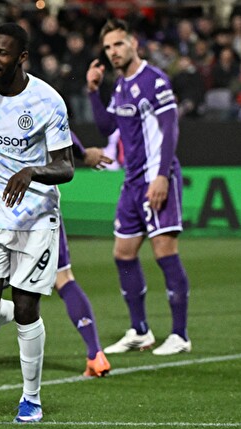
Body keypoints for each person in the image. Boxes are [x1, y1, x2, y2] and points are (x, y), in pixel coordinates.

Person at [0, 23, 75, 423]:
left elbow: (66, 166)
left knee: (26, 306)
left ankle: (31, 398)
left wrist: (32, 171)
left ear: (21, 58)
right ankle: (22, 313)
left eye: (1, 53)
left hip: (37, 219)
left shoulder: (47, 102)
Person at [0, 132, 113, 381]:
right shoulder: (39, 110)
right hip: (38, 212)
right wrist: (83, 153)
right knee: (63, 278)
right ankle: (95, 355)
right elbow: (62, 133)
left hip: (3, 210)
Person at [86, 18, 191, 355]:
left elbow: (170, 129)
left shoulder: (154, 80)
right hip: (131, 182)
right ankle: (140, 331)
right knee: (123, 254)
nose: (113, 52)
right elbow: (106, 127)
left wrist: (161, 175)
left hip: (156, 177)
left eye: (118, 44)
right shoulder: (119, 86)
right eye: (108, 47)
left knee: (164, 253)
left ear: (133, 43)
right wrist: (93, 91)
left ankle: (180, 335)